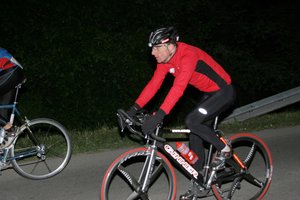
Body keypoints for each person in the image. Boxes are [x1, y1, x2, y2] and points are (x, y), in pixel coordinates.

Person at [126, 27, 235, 199]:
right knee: (194, 132)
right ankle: (199, 180)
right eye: (152, 48)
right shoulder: (165, 61)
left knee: (192, 121)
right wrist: (133, 109)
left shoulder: (188, 55)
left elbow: (178, 88)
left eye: (156, 48)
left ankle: (224, 149)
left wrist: (160, 115)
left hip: (223, 92)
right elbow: (154, 85)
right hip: (208, 93)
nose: (153, 53)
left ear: (169, 46)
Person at [0, 47, 25, 147]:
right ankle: (3, 157)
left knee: (5, 125)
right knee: (2, 115)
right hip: (10, 73)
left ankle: (10, 129)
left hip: (11, 71)